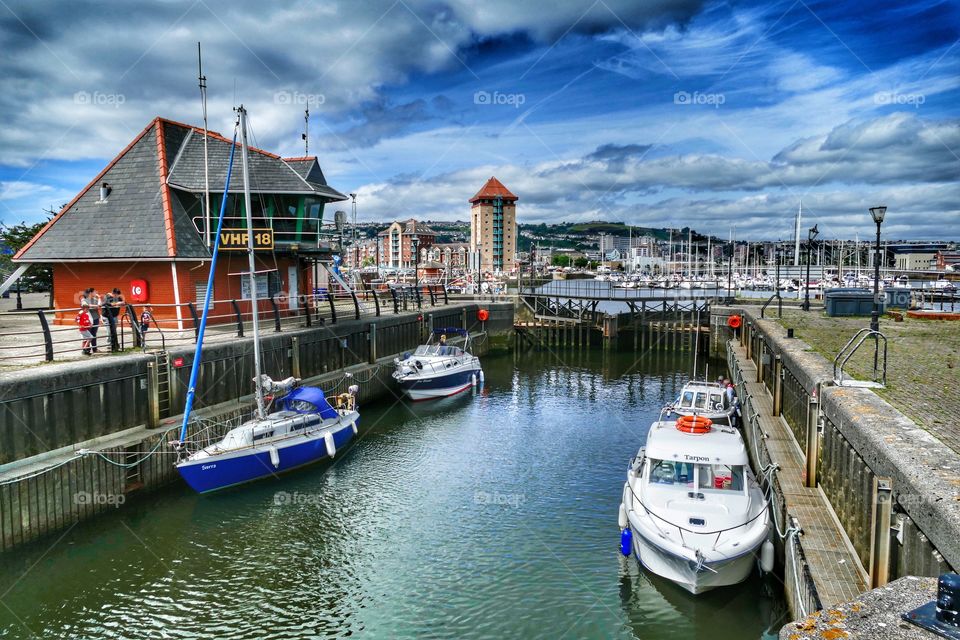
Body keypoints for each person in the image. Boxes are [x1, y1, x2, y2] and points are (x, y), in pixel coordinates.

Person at [86, 288, 102, 353]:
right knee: (88, 334)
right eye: (94, 292)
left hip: (96, 318)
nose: (95, 293)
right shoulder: (85, 300)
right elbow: (87, 306)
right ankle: (87, 349)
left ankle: (95, 349)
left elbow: (99, 306)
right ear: (90, 293)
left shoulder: (95, 299)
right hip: (89, 320)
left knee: (94, 334)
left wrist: (99, 298)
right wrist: (96, 306)